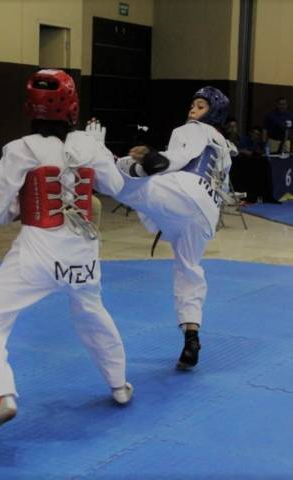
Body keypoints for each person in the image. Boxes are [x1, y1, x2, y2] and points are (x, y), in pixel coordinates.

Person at [0, 69, 133, 441]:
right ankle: (119, 385)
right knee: (92, 313)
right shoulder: (89, 145)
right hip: (83, 254)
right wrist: (101, 155)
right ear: (73, 107)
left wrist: (16, 205)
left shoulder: (20, 149)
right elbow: (117, 186)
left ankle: (0, 396)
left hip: (38, 252)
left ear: (31, 107)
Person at [114, 86, 234, 370]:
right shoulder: (226, 148)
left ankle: (92, 161)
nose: (193, 110)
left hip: (185, 192)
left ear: (213, 113)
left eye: (201, 106)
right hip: (206, 215)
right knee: (188, 270)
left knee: (123, 182)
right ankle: (191, 337)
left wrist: (155, 161)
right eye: (193, 104)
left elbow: (180, 157)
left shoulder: (193, 129)